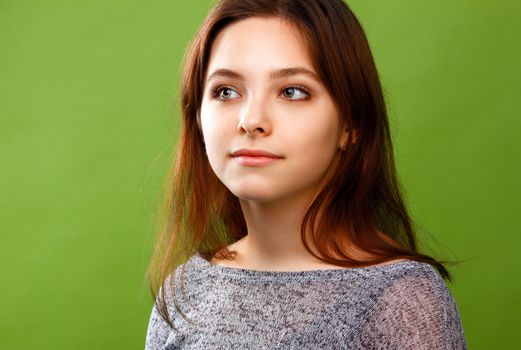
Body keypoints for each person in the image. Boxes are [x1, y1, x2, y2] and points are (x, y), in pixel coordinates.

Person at [145, 0, 468, 348]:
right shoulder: (186, 288)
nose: (251, 120)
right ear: (197, 117)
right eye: (226, 91)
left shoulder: (400, 299)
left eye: (292, 92)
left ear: (350, 123)